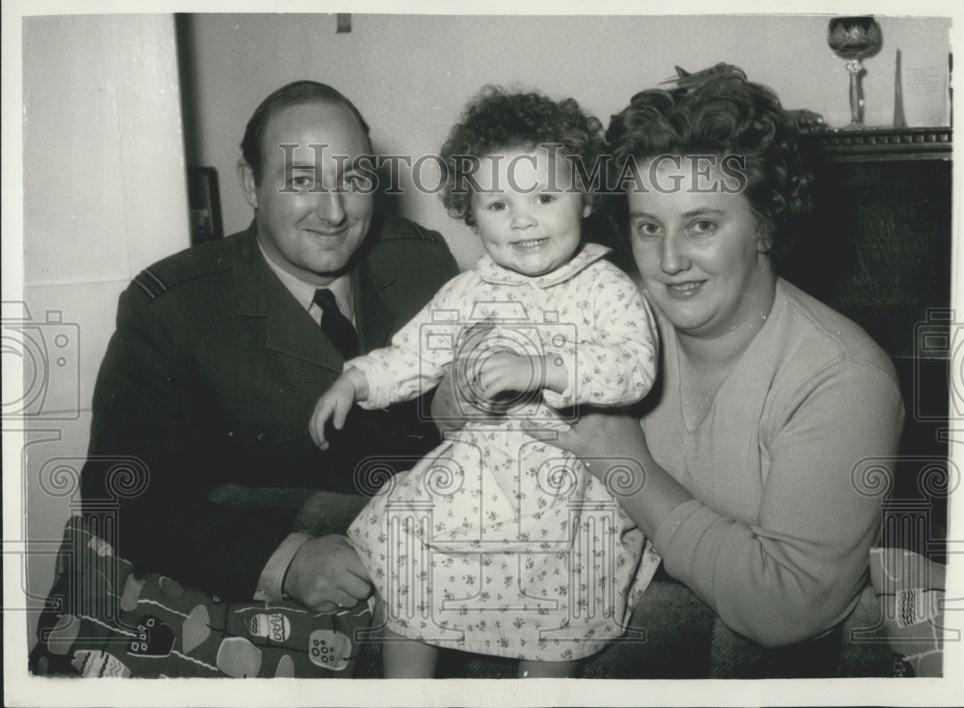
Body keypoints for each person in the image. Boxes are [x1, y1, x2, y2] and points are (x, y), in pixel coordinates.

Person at [432, 67, 906, 678]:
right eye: (648, 228)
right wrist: (468, 381)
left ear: (764, 226)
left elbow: (787, 607)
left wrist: (626, 466)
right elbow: (452, 420)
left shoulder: (843, 379)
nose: (670, 259)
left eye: (702, 225)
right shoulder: (608, 313)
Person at [310, 89, 661, 678]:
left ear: (584, 197)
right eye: (498, 204)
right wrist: (357, 380)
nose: (522, 219)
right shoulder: (470, 289)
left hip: (564, 486)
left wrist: (543, 370)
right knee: (412, 560)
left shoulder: (607, 288)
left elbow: (633, 369)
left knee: (557, 608)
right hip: (476, 477)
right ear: (471, 213)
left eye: (544, 197)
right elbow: (415, 353)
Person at [78, 81, 459, 615]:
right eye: (302, 180)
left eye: (352, 179)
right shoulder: (172, 309)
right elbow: (116, 496)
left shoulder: (422, 264)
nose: (333, 212)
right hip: (270, 622)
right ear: (251, 184)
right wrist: (286, 561)